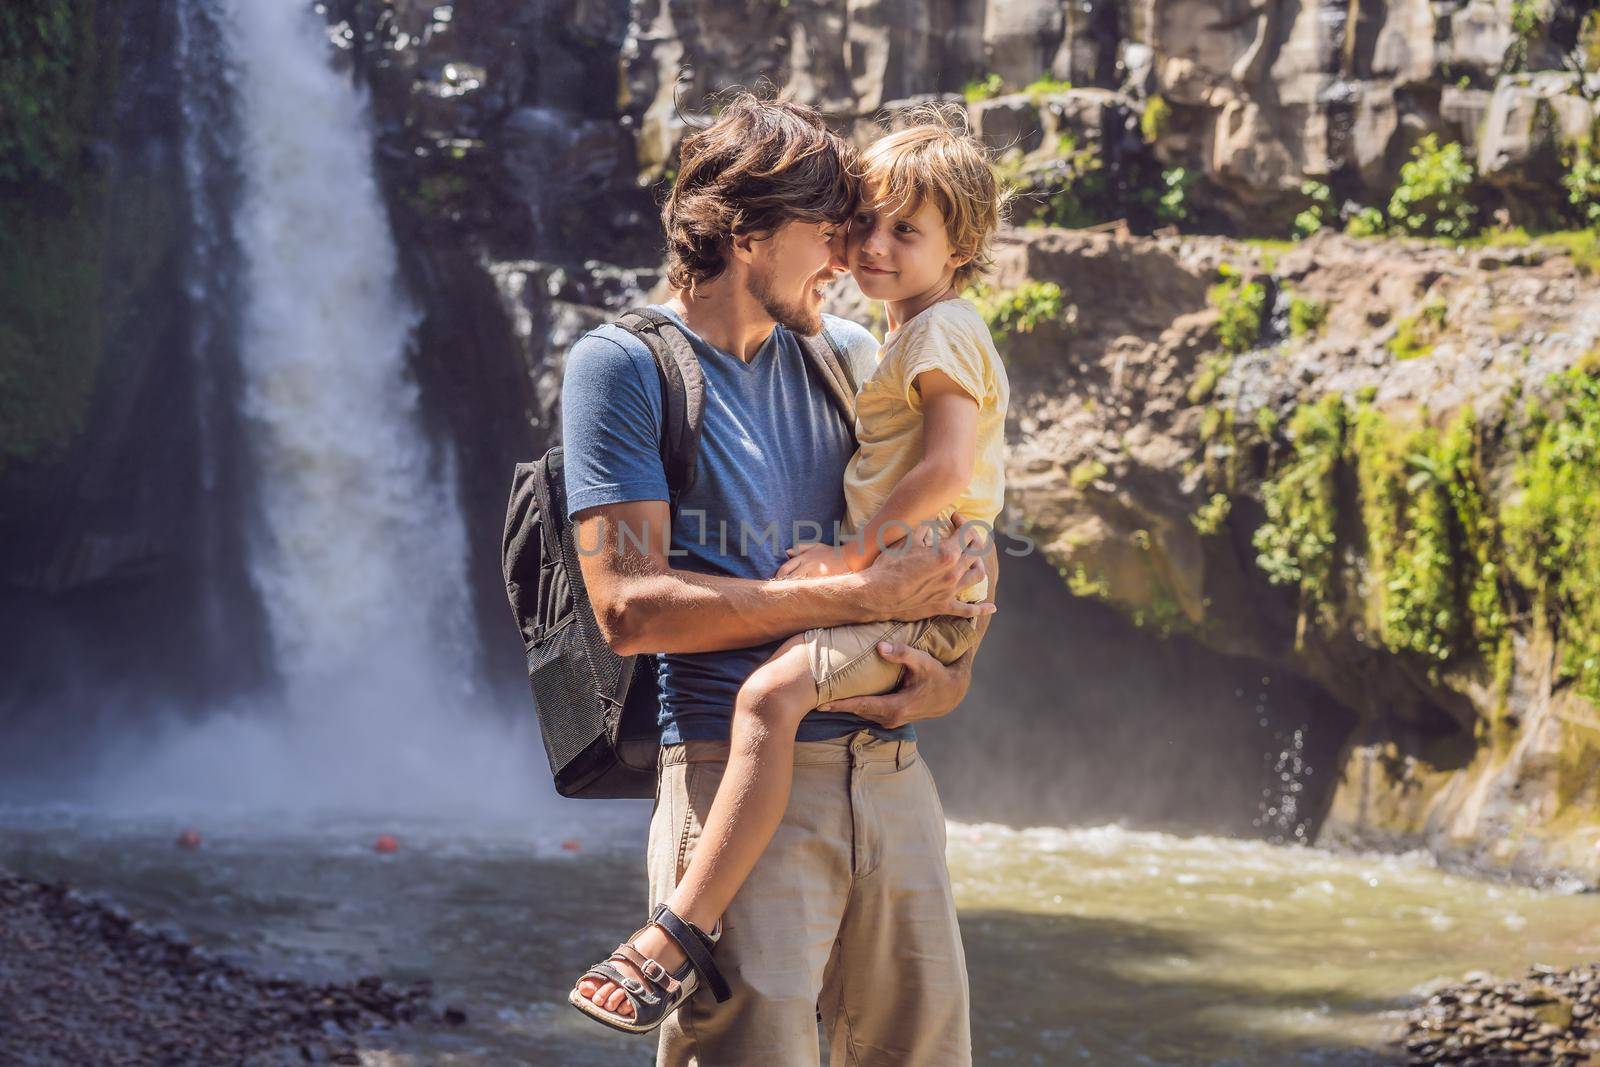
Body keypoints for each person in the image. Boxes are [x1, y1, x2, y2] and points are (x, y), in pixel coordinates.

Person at [561, 95, 999, 1066]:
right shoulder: (625, 367)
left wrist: (949, 673)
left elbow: (946, 535)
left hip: (889, 776)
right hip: (732, 778)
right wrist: (858, 595)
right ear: (747, 232)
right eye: (828, 233)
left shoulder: (847, 358)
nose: (848, 259)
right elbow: (629, 609)